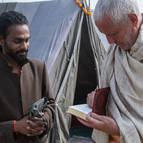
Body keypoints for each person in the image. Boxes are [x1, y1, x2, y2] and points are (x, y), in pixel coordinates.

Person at [78, 0, 143, 143]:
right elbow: (109, 88)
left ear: (133, 19)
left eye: (113, 33)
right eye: (105, 34)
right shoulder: (117, 50)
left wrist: (118, 128)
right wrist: (95, 98)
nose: (109, 42)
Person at [0, 11, 55, 143]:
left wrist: (43, 120)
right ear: (1, 41)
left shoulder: (38, 67)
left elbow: (51, 104)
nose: (24, 46)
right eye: (17, 41)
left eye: (27, 40)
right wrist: (15, 126)